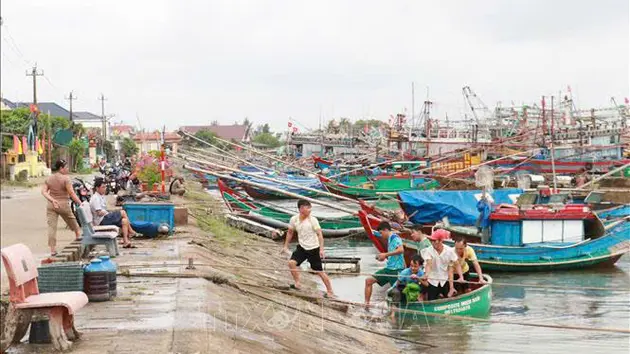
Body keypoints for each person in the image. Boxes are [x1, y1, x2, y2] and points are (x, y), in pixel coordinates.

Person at [281, 200, 335, 298]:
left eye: (310, 208)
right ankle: (297, 283)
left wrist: (321, 250)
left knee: (319, 271)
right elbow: (290, 232)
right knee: (291, 263)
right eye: (307, 208)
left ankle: (330, 291)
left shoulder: (313, 220)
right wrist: (285, 246)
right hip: (302, 247)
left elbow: (320, 235)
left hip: (313, 248)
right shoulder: (294, 219)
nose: (310, 210)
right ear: (301, 209)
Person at [41, 159, 82, 256]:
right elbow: (71, 193)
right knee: (72, 221)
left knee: (52, 227)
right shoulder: (66, 179)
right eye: (66, 167)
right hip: (63, 204)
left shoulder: (49, 179)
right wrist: (80, 203)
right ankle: (78, 237)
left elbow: (43, 192)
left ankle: (52, 250)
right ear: (61, 168)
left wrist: (52, 200)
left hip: (51, 205)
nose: (67, 169)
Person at [365, 221, 405, 307]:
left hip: (396, 270)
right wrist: (384, 257)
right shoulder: (390, 238)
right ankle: (366, 304)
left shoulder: (395, 238)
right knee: (368, 281)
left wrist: (385, 254)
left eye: (381, 233)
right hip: (389, 268)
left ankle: (398, 312)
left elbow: (401, 250)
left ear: (386, 230)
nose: (381, 235)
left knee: (397, 294)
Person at [90, 179, 137, 248]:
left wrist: (109, 213)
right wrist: (108, 213)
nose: (105, 189)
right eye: (103, 187)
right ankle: (131, 231)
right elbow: (99, 212)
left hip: (105, 218)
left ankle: (126, 241)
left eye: (105, 187)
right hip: (101, 221)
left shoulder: (100, 196)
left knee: (124, 221)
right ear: (97, 188)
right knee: (123, 212)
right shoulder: (95, 198)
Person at [420, 229, 463, 300]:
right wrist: (426, 274)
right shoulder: (428, 250)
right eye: (431, 241)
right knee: (432, 300)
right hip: (432, 280)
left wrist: (461, 277)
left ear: (440, 241)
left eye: (434, 240)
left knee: (448, 300)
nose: (432, 242)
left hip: (444, 279)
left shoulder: (449, 251)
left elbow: (457, 264)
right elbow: (429, 264)